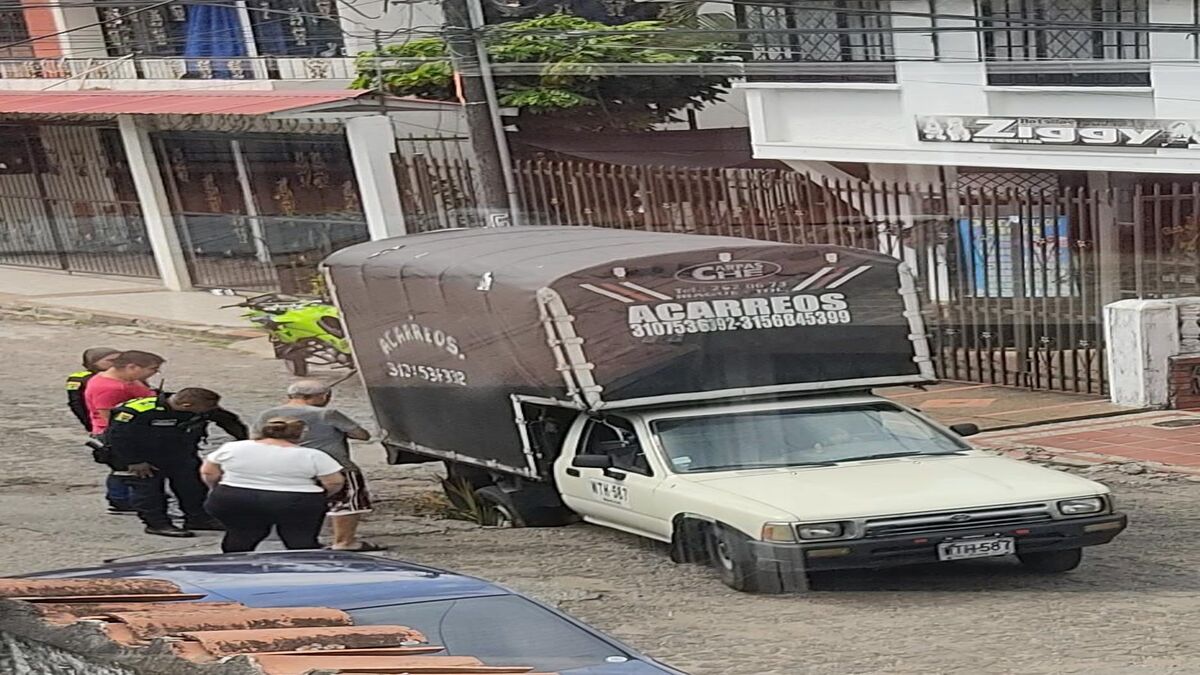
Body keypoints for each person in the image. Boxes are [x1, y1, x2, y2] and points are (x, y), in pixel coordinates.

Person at [255, 379, 383, 552]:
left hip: (291, 467)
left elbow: (256, 438)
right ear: (322, 396)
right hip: (334, 466)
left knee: (300, 503)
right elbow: (361, 435)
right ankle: (345, 542)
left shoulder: (268, 414)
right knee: (346, 502)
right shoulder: (327, 414)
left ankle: (301, 541)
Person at [201, 418, 346, 553]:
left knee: (241, 534)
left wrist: (216, 488)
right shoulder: (313, 455)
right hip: (295, 500)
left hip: (235, 497)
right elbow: (334, 481)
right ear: (300, 435)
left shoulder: (233, 447)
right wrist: (322, 495)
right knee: (299, 538)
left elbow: (208, 472)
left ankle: (233, 563)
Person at [104, 387, 229, 538]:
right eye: (208, 408)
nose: (212, 410)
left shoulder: (203, 407)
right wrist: (134, 462)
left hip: (180, 454)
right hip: (143, 458)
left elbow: (230, 421)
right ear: (186, 406)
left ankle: (198, 519)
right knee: (149, 492)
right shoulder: (136, 411)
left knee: (193, 488)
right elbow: (117, 438)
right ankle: (157, 524)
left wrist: (247, 442)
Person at [66, 347, 134, 513]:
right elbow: (78, 405)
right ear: (92, 363)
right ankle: (119, 500)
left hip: (127, 425)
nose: (117, 364)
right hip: (106, 425)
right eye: (110, 361)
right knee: (120, 466)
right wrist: (91, 426)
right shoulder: (84, 379)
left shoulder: (125, 375)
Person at [84, 350, 163, 435]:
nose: (155, 373)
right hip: (121, 434)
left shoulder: (126, 378)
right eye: (153, 369)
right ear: (131, 367)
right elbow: (110, 419)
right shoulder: (109, 389)